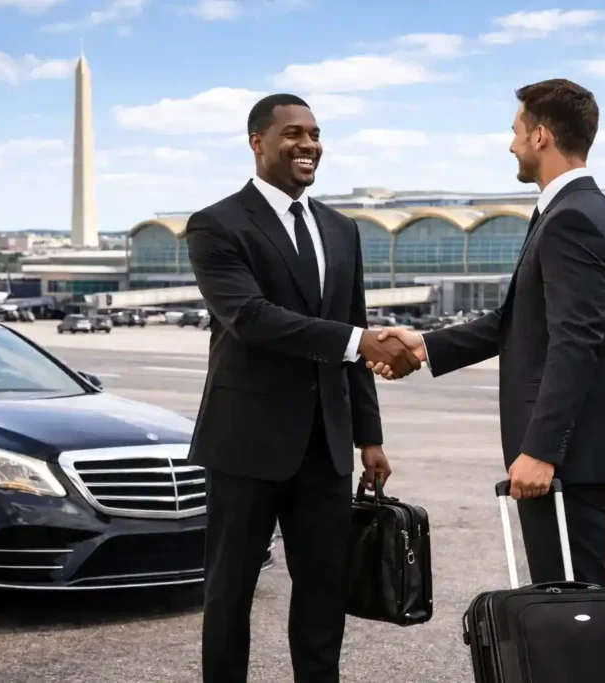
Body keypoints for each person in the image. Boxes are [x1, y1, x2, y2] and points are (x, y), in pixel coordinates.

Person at [369, 79, 605, 588]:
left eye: (516, 131)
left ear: (541, 137)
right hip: (580, 451)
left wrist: (541, 451)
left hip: (569, 457)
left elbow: (575, 342)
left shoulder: (572, 219)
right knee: (566, 604)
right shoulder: (576, 211)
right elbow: (517, 322)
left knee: (570, 615)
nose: (511, 144)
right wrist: (425, 345)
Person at [184, 93, 420, 683]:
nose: (308, 144)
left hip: (325, 449)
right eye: (293, 133)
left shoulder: (342, 230)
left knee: (322, 598)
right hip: (245, 447)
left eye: (315, 133)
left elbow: (353, 326)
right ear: (257, 142)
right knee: (230, 596)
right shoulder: (216, 224)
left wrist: (369, 437)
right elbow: (252, 318)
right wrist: (359, 341)